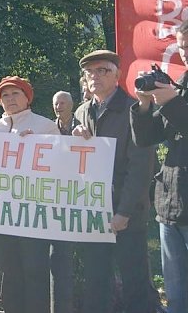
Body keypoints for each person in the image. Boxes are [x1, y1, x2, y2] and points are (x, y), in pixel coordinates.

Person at [72, 50, 155, 313]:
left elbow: (141, 168)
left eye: (102, 70)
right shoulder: (82, 112)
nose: (95, 76)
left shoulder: (134, 110)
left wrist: (124, 212)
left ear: (118, 75)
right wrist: (71, 136)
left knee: (135, 285)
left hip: (125, 214)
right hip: (94, 213)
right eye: (90, 72)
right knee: (95, 282)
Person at [0, 76, 62, 313]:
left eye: (15, 94)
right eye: (5, 95)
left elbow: (61, 166)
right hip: (3, 216)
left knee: (34, 271)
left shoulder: (46, 126)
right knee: (8, 271)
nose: (10, 99)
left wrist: (35, 146)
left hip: (33, 216)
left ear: (27, 97)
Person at [130, 22, 188, 313]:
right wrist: (144, 104)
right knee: (177, 294)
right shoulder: (181, 84)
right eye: (183, 47)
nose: (186, 53)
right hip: (172, 204)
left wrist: (171, 102)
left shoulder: (177, 94)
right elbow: (146, 139)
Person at [49, 91, 76, 313]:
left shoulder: (84, 124)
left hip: (80, 197)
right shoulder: (47, 129)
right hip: (56, 200)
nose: (59, 106)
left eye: (63, 102)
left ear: (71, 105)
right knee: (60, 259)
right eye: (56, 103)